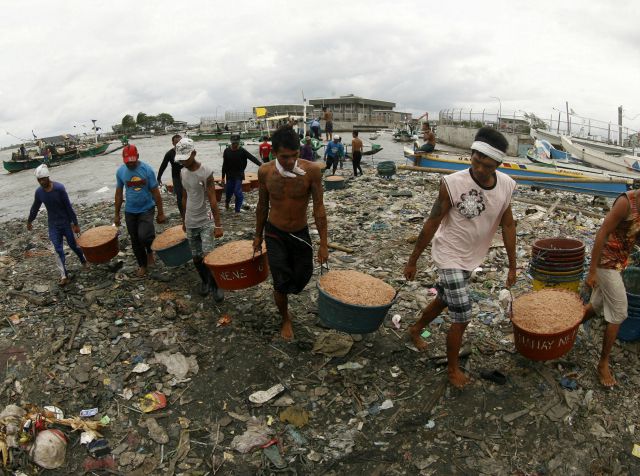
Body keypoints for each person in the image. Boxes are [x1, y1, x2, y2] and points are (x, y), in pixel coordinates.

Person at [403, 127, 517, 388]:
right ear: (472, 154)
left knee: (444, 298)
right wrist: (413, 259)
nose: (479, 169)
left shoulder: (507, 187)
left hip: (472, 256)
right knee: (463, 314)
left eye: (487, 166)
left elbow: (508, 226)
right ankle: (452, 369)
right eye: (476, 160)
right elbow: (433, 222)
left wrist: (513, 265)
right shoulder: (452, 183)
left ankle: (415, 329)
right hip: (448, 253)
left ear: (498, 164)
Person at [253, 125, 328, 340]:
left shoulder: (311, 170)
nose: (290, 161)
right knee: (280, 280)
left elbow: (319, 208)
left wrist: (323, 243)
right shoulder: (265, 171)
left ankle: (288, 290)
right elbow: (262, 206)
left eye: (294, 156)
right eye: (285, 157)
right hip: (275, 232)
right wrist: (258, 236)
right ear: (274, 153)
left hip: (299, 231)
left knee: (303, 275)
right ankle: (285, 317)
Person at [582, 188, 640, 387]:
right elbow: (603, 233)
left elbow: (634, 232)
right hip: (605, 261)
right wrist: (591, 272)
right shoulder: (626, 202)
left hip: (620, 262)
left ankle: (567, 331)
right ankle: (603, 363)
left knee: (596, 305)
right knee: (619, 313)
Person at [175, 138, 225, 302]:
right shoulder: (182, 172)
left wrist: (218, 225)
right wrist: (183, 220)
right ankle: (205, 282)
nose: (182, 162)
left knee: (208, 256)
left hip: (205, 221)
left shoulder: (206, 171)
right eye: (180, 159)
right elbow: (184, 197)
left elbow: (212, 199)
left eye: (185, 158)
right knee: (196, 257)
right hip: (190, 221)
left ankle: (216, 285)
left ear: (194, 153)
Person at [27, 164, 87, 286]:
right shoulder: (39, 192)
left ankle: (83, 260)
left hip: (65, 222)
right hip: (53, 224)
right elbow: (35, 208)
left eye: (43, 179)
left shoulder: (59, 188)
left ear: (48, 177)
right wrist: (30, 221)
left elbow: (68, 207)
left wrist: (75, 223)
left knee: (73, 245)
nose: (41, 182)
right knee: (57, 249)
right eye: (39, 180)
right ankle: (64, 275)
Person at [114, 144, 166, 277]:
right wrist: (116, 215)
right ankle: (142, 265)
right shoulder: (121, 172)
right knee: (135, 240)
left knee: (144, 235)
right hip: (130, 210)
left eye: (133, 161)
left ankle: (150, 252)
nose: (130, 164)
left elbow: (155, 192)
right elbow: (119, 194)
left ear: (137, 157)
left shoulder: (147, 170)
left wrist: (161, 212)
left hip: (147, 208)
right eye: (127, 162)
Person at [221, 134, 262, 213]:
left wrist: (262, 165)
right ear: (231, 142)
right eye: (233, 143)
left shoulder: (242, 151)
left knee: (237, 191)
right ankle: (227, 202)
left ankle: (237, 210)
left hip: (239, 174)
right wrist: (223, 178)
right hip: (229, 175)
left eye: (236, 143)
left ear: (239, 142)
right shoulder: (227, 151)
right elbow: (224, 165)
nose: (234, 145)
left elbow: (252, 158)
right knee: (228, 192)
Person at [157, 134, 184, 215]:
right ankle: (182, 214)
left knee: (190, 195)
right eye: (177, 142)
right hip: (177, 177)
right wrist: (159, 177)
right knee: (179, 196)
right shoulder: (170, 153)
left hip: (188, 176)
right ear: (173, 143)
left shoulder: (186, 151)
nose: (179, 144)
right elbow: (163, 165)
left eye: (180, 142)